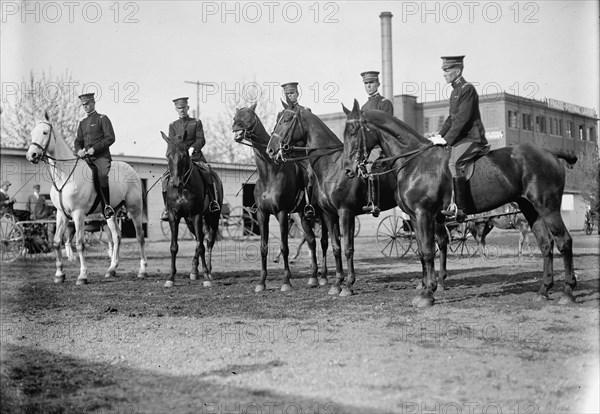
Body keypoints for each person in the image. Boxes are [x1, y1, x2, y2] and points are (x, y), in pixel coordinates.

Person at [428, 55, 488, 223]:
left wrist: (447, 140)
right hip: (461, 139)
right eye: (444, 70)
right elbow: (451, 119)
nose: (444, 74)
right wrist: (439, 136)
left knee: (454, 163)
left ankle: (461, 209)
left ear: (458, 70)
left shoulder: (467, 89)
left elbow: (462, 119)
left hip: (472, 138)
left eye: (446, 70)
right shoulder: (455, 91)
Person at [160, 97, 220, 221]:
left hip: (195, 157)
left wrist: (192, 149)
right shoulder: (173, 125)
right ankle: (167, 208)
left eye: (183, 107)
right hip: (179, 161)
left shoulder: (196, 122)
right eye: (179, 108)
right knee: (164, 178)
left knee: (208, 172)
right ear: (176, 109)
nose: (181, 110)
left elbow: (201, 139)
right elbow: (171, 143)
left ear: (187, 107)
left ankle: (213, 202)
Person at [75, 92, 116, 219]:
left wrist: (95, 148)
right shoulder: (82, 123)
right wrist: (78, 150)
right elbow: (78, 141)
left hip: (101, 157)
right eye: (83, 105)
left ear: (93, 103)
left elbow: (110, 138)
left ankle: (107, 206)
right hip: (87, 159)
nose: (85, 107)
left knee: (102, 175)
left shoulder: (102, 119)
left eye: (87, 104)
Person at [360, 71, 394, 217]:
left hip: (379, 145)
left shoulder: (384, 103)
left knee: (369, 166)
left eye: (371, 83)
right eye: (366, 84)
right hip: (366, 147)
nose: (369, 86)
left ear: (378, 84)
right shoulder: (364, 106)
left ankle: (374, 203)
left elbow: (387, 127)